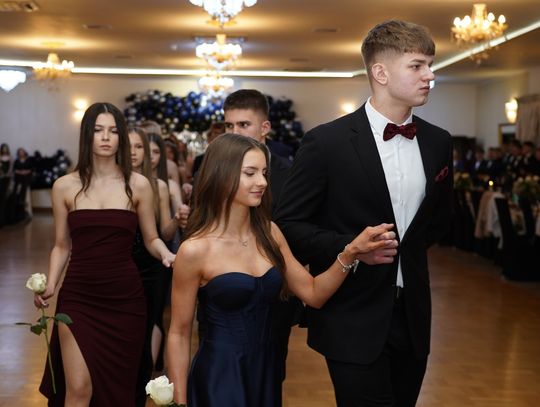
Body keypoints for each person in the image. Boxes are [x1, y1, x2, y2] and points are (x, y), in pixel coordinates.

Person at [275, 20, 453, 407]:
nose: (430, 76)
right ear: (380, 73)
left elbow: (438, 221)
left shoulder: (439, 142)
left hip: (414, 316)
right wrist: (351, 249)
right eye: (417, 66)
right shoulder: (326, 143)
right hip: (351, 314)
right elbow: (287, 225)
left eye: (430, 65)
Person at [166, 133, 398, 406]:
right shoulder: (195, 250)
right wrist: (178, 401)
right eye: (250, 173)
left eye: (264, 173)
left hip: (267, 369)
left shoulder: (270, 233)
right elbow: (179, 333)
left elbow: (314, 294)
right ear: (221, 175)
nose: (263, 182)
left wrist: (350, 252)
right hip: (220, 375)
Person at [34, 102, 176, 406]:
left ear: (121, 136)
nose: (106, 137)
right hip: (78, 297)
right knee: (79, 388)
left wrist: (167, 254)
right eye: (98, 130)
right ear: (87, 135)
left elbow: (151, 238)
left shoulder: (138, 185)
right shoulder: (64, 186)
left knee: (117, 390)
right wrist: (51, 284)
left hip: (124, 299)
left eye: (113, 130)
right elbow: (61, 244)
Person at [223, 89, 298, 385]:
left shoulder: (290, 174)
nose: (234, 132)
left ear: (264, 127)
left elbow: (298, 229)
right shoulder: (213, 169)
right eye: (228, 125)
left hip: (272, 291)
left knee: (268, 377)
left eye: (243, 125)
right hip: (223, 289)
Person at [128, 126, 187, 407]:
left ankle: (141, 387)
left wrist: (176, 220)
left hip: (151, 265)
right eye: (130, 146)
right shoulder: (110, 184)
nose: (134, 153)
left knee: (147, 327)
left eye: (140, 147)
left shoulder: (158, 186)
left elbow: (162, 234)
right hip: (120, 263)